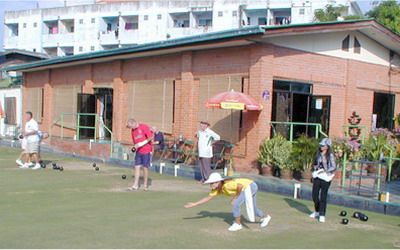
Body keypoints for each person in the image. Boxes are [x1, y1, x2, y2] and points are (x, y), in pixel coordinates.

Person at [184, 172, 272, 232]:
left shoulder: (227, 185)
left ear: (219, 182)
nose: (212, 185)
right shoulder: (217, 189)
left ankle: (238, 224)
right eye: (211, 183)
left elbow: (240, 186)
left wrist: (235, 197)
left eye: (213, 183)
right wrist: (195, 204)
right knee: (253, 209)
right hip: (250, 186)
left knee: (236, 204)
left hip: (249, 186)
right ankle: (266, 217)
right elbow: (207, 198)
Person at [310, 138, 336, 223]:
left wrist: (326, 170)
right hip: (318, 176)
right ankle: (317, 211)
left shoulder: (330, 155)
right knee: (314, 195)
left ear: (327, 147)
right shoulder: (318, 154)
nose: (321, 146)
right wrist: (315, 169)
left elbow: (334, 167)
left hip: (326, 177)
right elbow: (315, 164)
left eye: (323, 145)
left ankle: (322, 214)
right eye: (320, 145)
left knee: (323, 196)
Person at [126, 118, 153, 191]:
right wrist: (135, 147)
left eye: (131, 126)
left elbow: (150, 137)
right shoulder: (133, 131)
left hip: (146, 150)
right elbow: (135, 142)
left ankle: (145, 185)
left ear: (133, 123)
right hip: (139, 151)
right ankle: (135, 185)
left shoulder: (144, 127)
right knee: (137, 167)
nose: (131, 128)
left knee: (145, 167)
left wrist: (141, 144)